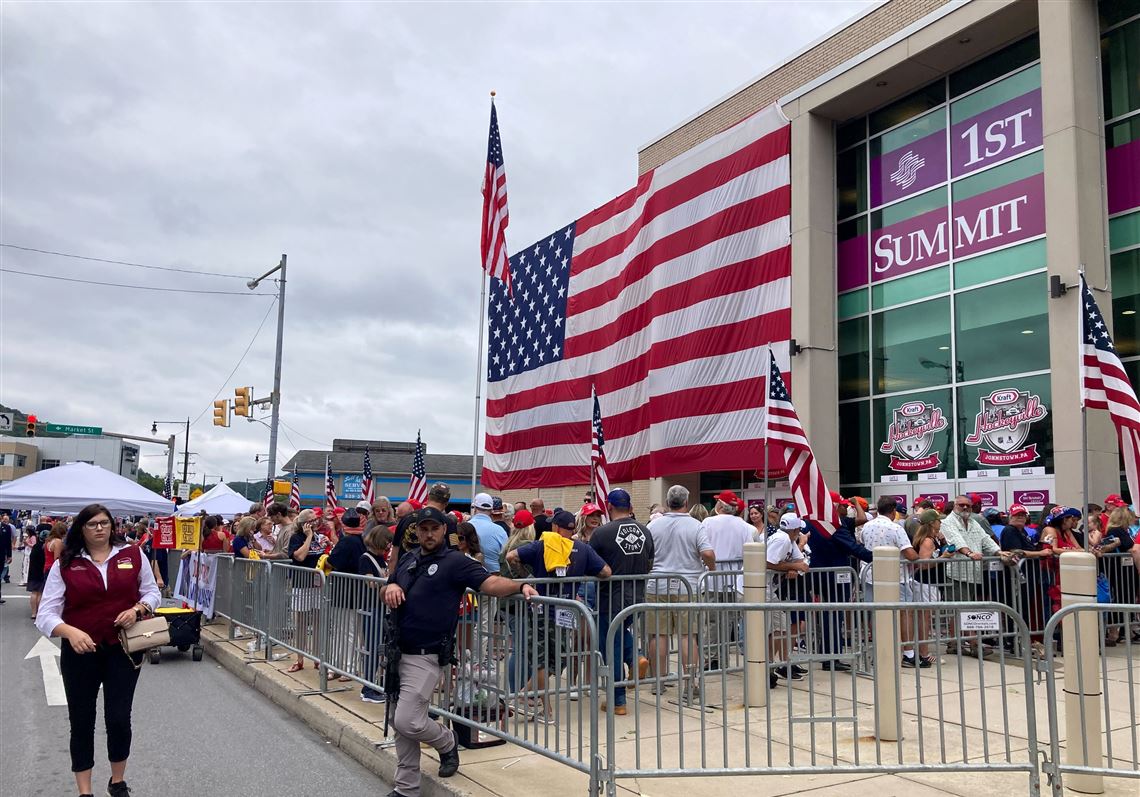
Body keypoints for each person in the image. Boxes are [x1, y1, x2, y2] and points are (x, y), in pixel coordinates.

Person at [382, 507, 538, 797]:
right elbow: (391, 584)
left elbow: (489, 582)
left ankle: (446, 740)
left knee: (408, 721)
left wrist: (521, 584)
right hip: (396, 650)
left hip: (426, 653)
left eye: (434, 529)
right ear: (416, 531)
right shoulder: (408, 558)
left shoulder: (455, 562)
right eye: (423, 529)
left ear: (444, 531)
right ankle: (406, 788)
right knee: (399, 722)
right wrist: (389, 587)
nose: (428, 534)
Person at [36, 504, 161, 797]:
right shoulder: (65, 564)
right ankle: (85, 791)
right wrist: (69, 631)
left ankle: (117, 782)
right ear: (82, 528)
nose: (100, 528)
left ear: (112, 526)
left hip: (123, 649)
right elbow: (46, 614)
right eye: (92, 524)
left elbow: (152, 591)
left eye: (104, 523)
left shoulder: (132, 554)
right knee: (81, 720)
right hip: (80, 652)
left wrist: (138, 608)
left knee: (119, 717)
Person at [506, 508, 611, 719]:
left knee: (547, 661)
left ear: (555, 527)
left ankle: (524, 696)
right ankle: (543, 708)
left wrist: (527, 578)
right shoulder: (582, 549)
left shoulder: (542, 545)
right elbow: (606, 572)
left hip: (539, 609)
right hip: (566, 611)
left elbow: (511, 556)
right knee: (555, 660)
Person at [645, 485, 715, 702]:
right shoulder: (695, 525)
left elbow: (647, 554)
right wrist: (711, 567)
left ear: (667, 502)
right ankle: (691, 682)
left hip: (656, 585)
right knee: (688, 635)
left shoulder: (653, 525)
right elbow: (707, 552)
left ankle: (658, 681)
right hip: (688, 585)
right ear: (686, 502)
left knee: (658, 634)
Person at [589, 489, 653, 715]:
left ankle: (618, 700)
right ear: (630, 507)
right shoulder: (645, 531)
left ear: (609, 506)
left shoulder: (601, 533)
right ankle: (636, 657)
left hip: (610, 597)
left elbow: (591, 563)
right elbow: (650, 562)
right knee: (619, 635)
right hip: (636, 595)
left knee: (610, 647)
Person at [804, 492, 871, 671]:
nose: (844, 508)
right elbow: (852, 546)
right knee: (834, 615)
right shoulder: (832, 524)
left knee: (826, 615)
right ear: (833, 506)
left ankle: (827, 653)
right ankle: (831, 656)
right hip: (835, 574)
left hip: (816, 574)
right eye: (841, 505)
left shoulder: (810, 522)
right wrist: (876, 556)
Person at [859, 496, 921, 664]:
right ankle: (908, 653)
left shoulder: (866, 527)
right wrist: (920, 557)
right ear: (893, 511)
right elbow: (909, 554)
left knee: (876, 613)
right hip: (894, 577)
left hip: (870, 575)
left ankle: (880, 652)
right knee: (904, 612)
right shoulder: (895, 528)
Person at [285, 509, 330, 673]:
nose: (315, 522)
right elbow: (300, 557)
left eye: (316, 519)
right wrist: (309, 536)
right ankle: (300, 658)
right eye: (311, 520)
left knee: (318, 623)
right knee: (301, 623)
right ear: (304, 523)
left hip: (318, 585)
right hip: (301, 585)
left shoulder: (320, 537)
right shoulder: (296, 538)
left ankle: (318, 657)